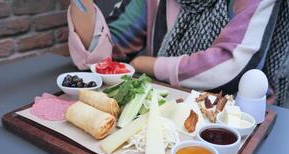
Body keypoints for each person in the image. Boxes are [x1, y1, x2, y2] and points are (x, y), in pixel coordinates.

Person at [68, 0, 278, 94]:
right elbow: (104, 55)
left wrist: (148, 64)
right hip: (160, 107)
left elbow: (232, 67)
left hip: (237, 120)